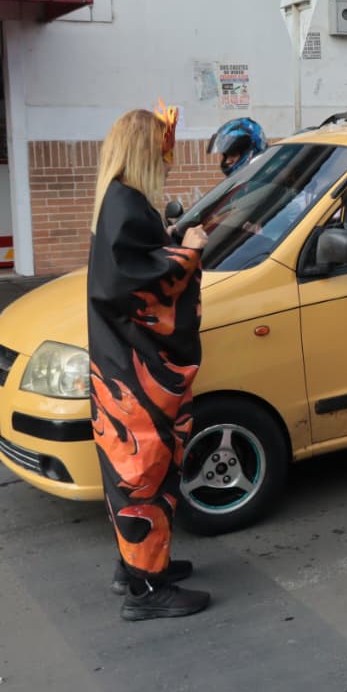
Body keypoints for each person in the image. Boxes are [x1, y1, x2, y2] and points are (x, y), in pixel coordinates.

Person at [88, 103, 211, 621]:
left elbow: (133, 267)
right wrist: (188, 251)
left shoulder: (120, 200)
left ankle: (138, 566)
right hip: (133, 367)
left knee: (140, 470)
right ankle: (145, 590)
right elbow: (132, 283)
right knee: (143, 469)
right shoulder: (126, 202)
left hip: (122, 359)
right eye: (161, 151)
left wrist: (174, 240)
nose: (167, 160)